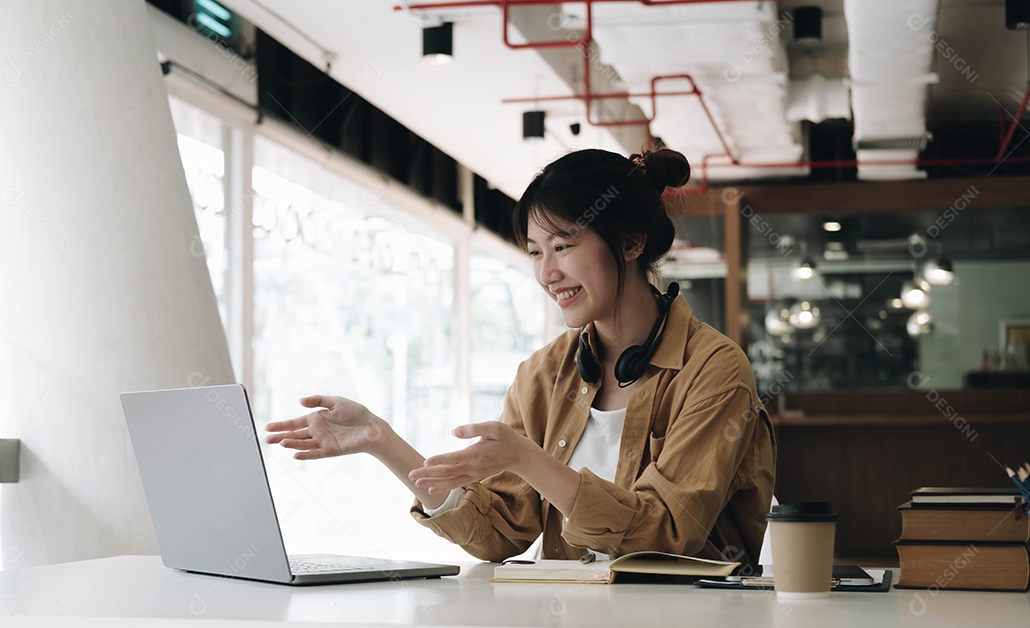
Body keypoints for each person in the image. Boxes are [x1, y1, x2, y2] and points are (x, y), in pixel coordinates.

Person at [265, 147, 776, 568]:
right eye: (535, 251)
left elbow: (667, 534)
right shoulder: (544, 373)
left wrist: (528, 459)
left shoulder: (714, 369)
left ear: (630, 242)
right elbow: (497, 535)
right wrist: (381, 440)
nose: (546, 273)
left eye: (564, 245)